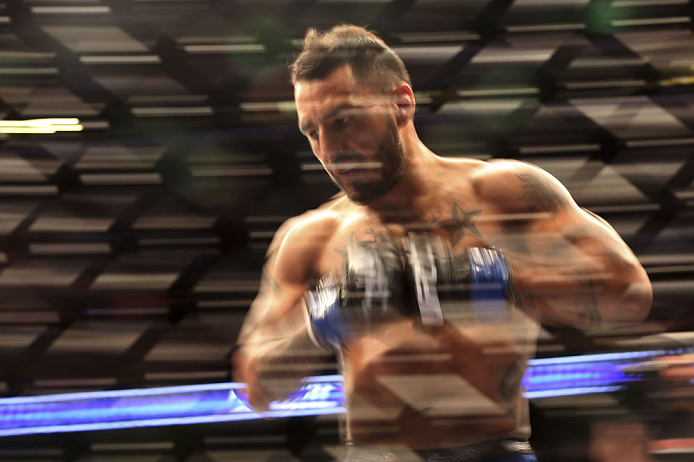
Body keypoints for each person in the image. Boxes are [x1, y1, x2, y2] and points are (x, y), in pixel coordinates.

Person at [234, 25, 653, 462]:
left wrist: (496, 278)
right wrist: (321, 322)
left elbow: (631, 294)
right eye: (312, 131)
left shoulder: (505, 192)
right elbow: (257, 390)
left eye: (344, 120)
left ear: (401, 103)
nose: (329, 148)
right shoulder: (309, 237)